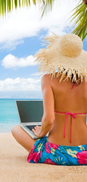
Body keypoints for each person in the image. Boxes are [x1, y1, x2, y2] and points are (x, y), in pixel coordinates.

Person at [11, 33, 87, 165]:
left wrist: (41, 133)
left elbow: (49, 119)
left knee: (16, 129)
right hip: (84, 153)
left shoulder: (48, 79)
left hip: (55, 152)